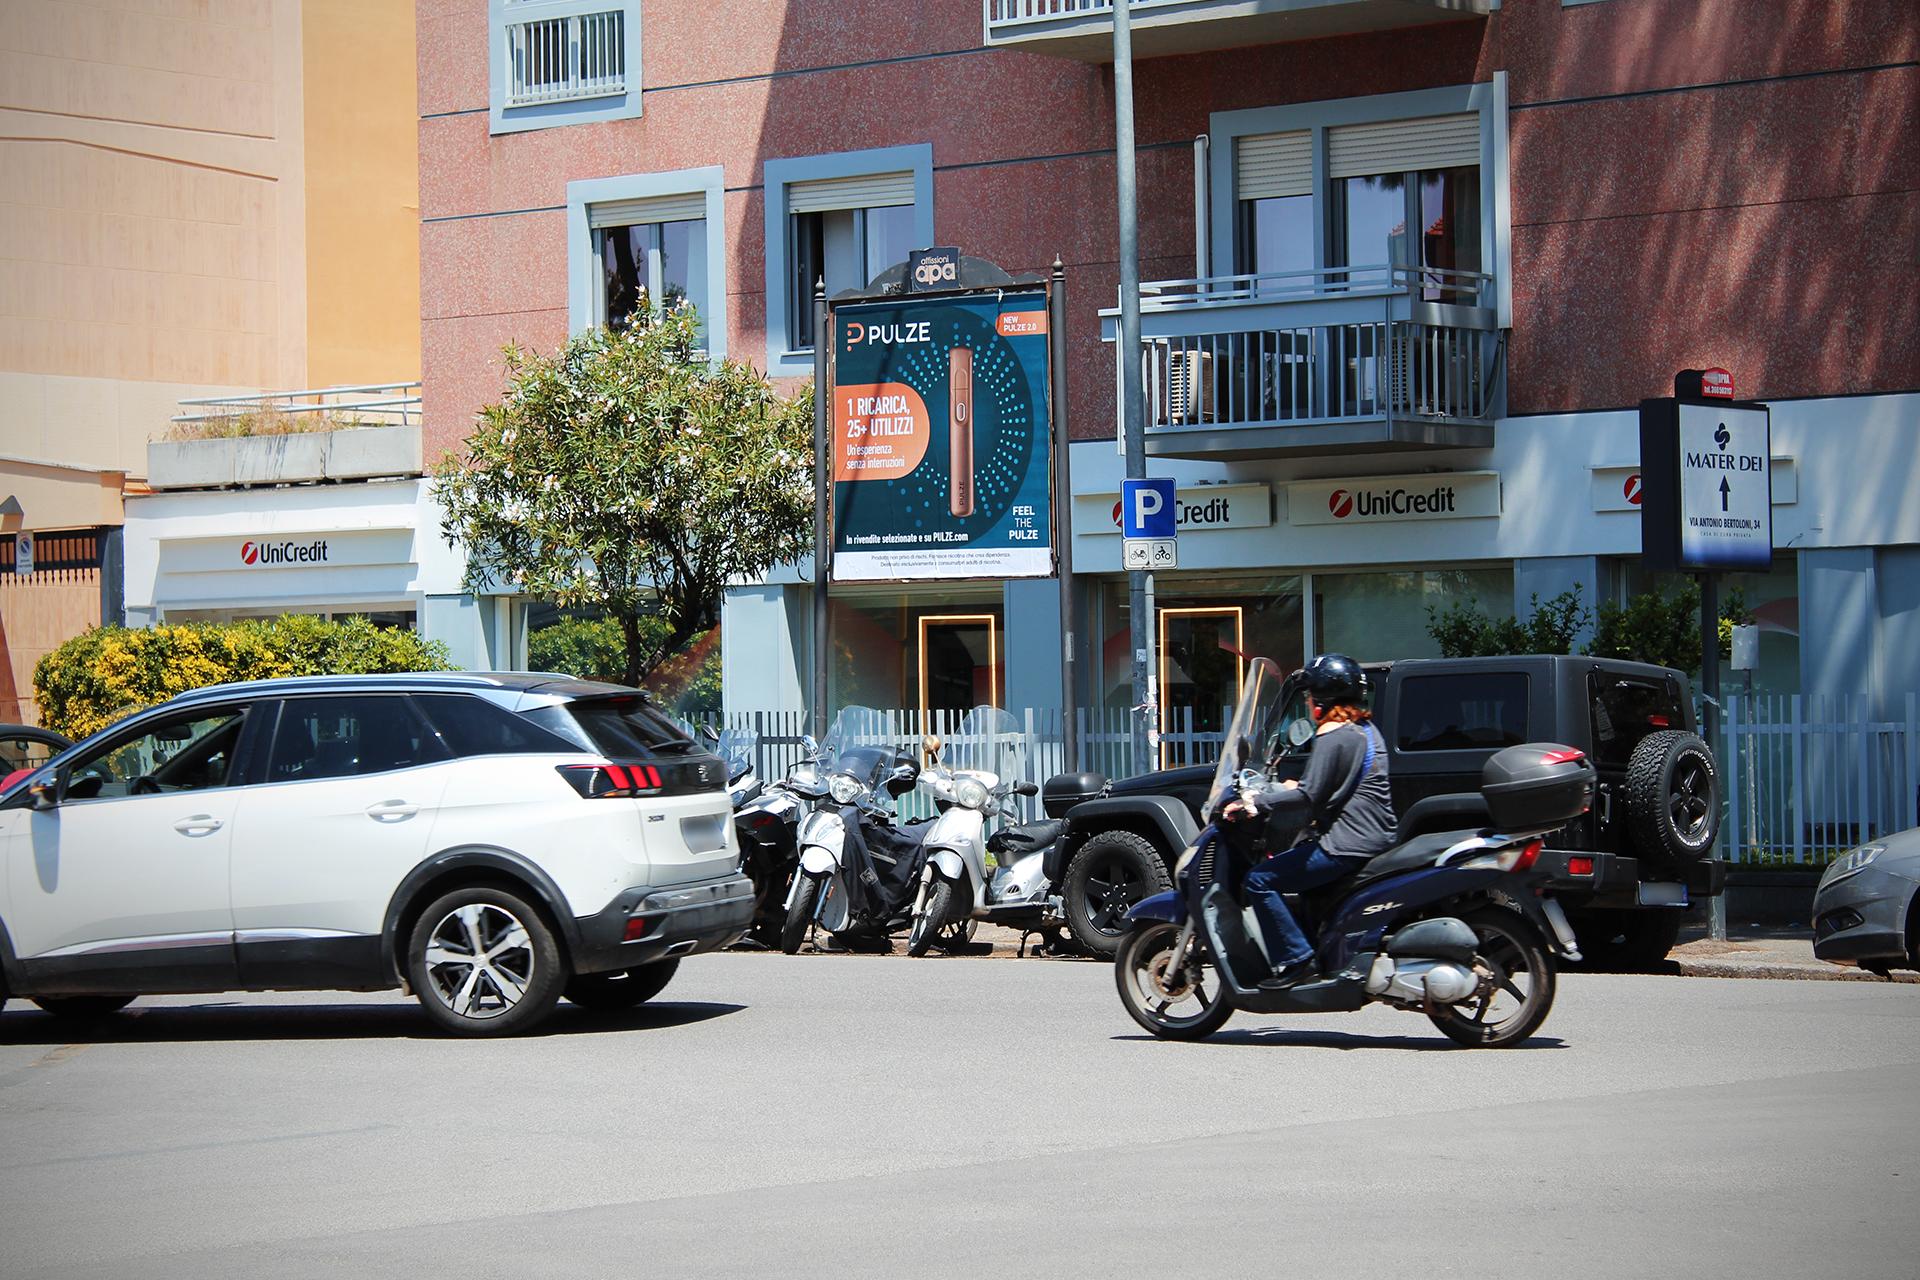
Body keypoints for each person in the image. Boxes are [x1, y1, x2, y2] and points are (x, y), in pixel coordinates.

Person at [1222, 653, 1398, 989]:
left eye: (1308, 695)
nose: (1306, 702)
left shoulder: (1332, 733)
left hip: (1346, 844)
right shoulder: (1364, 729)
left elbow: (1308, 798)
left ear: (1321, 699)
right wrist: (1290, 787)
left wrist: (1255, 801)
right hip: (1376, 837)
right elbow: (1334, 784)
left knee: (1260, 880)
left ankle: (1296, 959)